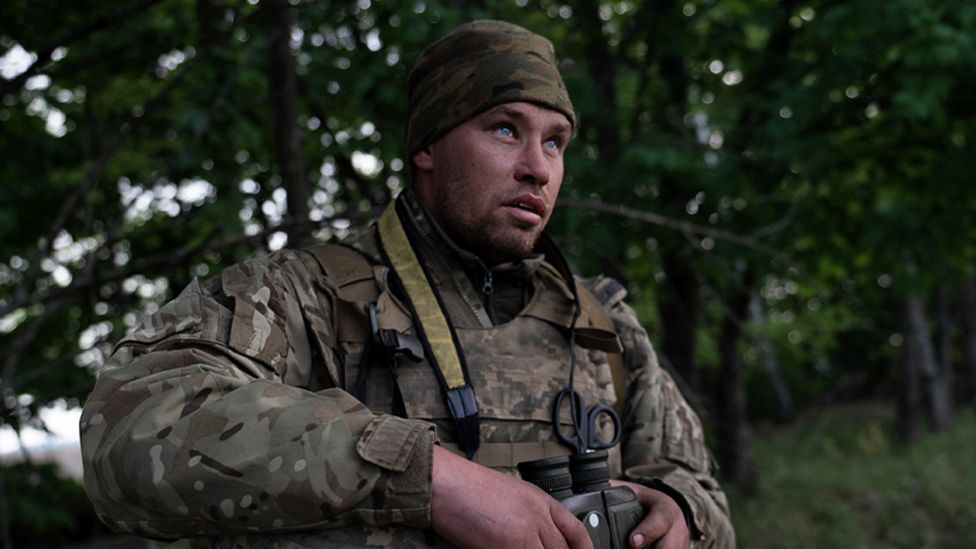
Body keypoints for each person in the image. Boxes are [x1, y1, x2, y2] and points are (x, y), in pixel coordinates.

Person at [80, 20, 735, 549]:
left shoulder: (598, 321)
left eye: (556, 141)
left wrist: (678, 510)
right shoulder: (305, 297)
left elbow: (700, 486)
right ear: (429, 145)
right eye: (505, 129)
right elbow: (127, 431)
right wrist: (431, 477)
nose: (538, 168)